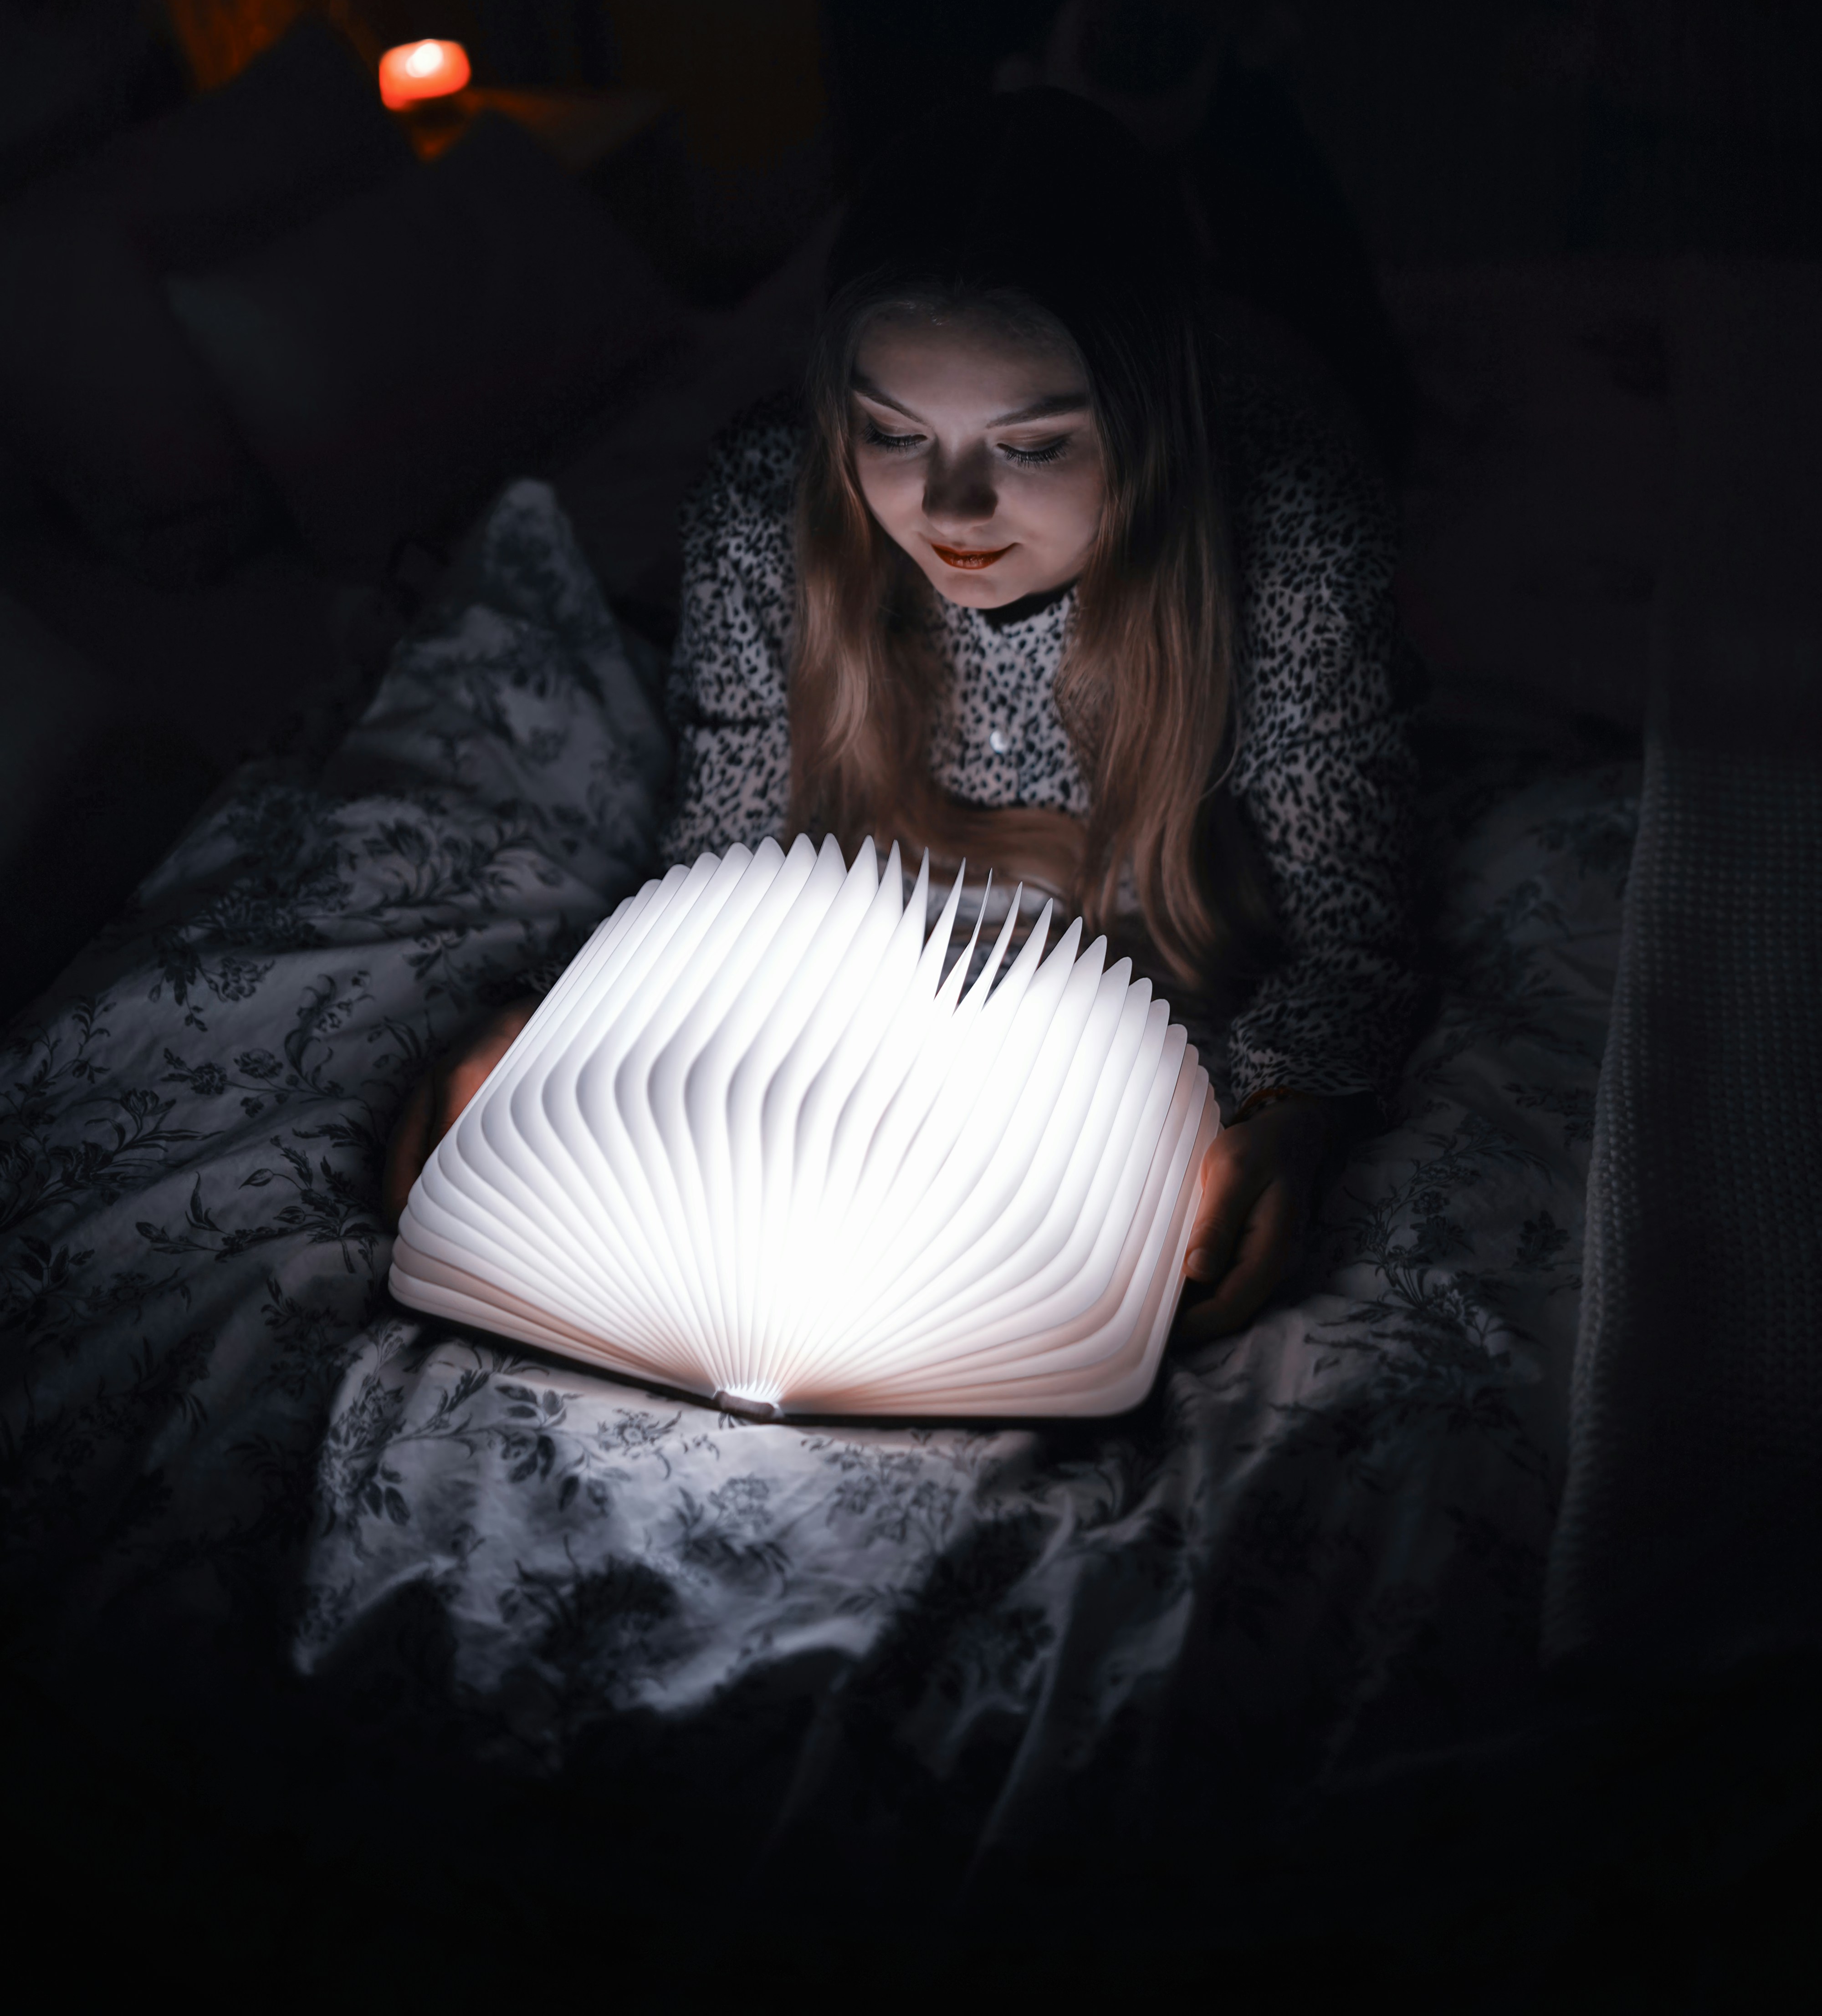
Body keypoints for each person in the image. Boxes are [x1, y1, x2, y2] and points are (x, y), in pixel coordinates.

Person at [387, 89, 1420, 1338]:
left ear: (1146, 429)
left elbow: (1353, 925)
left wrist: (1288, 1120)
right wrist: (556, 1025)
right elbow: (722, 852)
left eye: (1032, 446)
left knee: (1341, 333)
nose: (951, 507)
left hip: (1283, 402)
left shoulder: (1289, 545)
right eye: (892, 432)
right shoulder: (768, 508)